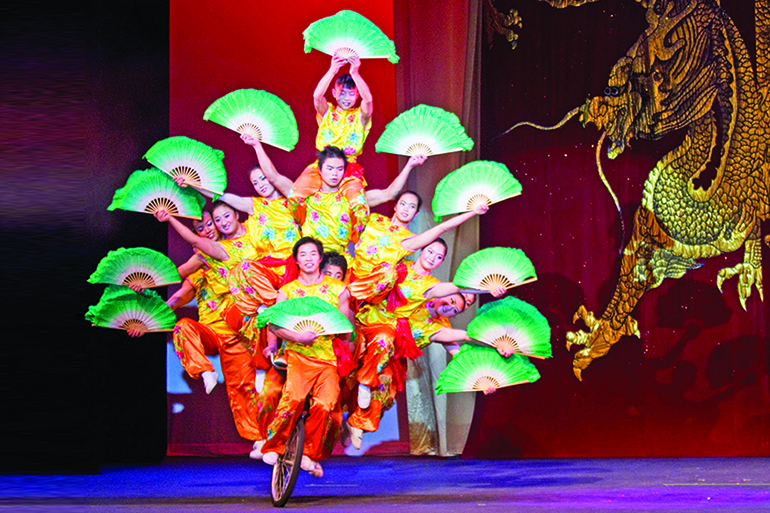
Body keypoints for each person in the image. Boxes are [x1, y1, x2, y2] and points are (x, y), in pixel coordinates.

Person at [347, 239, 506, 448]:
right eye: (450, 301)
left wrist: (481, 378)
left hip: (388, 359)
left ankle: (354, 423)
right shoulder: (412, 278)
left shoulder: (439, 326)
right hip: (368, 332)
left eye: (456, 310)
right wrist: (485, 289)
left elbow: (462, 345)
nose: (449, 308)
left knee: (385, 394)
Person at [260, 237, 352, 477]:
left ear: (320, 258)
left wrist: (330, 326)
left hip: (326, 358)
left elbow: (343, 326)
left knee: (325, 404)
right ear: (296, 260)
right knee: (292, 399)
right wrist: (297, 336)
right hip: (297, 354)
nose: (308, 258)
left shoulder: (339, 289)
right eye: (303, 254)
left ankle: (309, 453)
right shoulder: (287, 292)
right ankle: (273, 446)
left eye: (313, 254)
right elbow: (274, 326)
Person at [349, 188, 489, 305]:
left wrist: (473, 212)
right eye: (403, 204)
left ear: (415, 213)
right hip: (351, 271)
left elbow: (443, 227)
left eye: (412, 206)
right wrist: (410, 164)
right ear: (395, 206)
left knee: (388, 272)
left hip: (369, 287)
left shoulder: (409, 240)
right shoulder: (375, 219)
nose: (406, 209)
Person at [291, 55, 373, 201]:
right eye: (342, 93)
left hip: (349, 168)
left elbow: (368, 100)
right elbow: (317, 97)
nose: (346, 97)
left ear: (356, 95)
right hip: (323, 165)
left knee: (357, 205)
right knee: (296, 195)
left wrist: (355, 72)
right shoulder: (327, 112)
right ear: (334, 93)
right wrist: (332, 70)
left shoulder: (360, 115)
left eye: (351, 93)